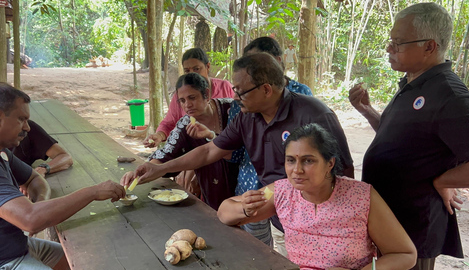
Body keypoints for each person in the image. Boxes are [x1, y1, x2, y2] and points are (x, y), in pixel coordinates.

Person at [121, 53, 355, 254]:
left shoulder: (313, 115)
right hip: (278, 218)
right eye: (234, 90)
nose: (234, 97)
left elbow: (344, 173)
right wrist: (160, 168)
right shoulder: (247, 115)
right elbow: (210, 150)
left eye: (241, 91)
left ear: (266, 89)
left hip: (317, 223)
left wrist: (333, 223)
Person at [348, 2, 469, 270]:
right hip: (389, 221)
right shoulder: (414, 82)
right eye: (390, 40)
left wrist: (445, 180)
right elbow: (402, 140)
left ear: (429, 46)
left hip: (413, 232)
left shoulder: (449, 95)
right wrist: (368, 111)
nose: (388, 48)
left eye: (398, 43)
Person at [217, 123, 417, 270]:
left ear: (330, 163)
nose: (297, 170)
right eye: (290, 160)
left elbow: (404, 254)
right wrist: (245, 208)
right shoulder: (283, 192)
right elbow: (225, 213)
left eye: (308, 160)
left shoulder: (361, 197)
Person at [0, 83, 125, 270]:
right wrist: (93, 192)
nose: (27, 127)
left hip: (15, 245)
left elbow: (34, 180)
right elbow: (28, 219)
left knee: (82, 261)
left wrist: (39, 205)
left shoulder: (3, 152)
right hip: (4, 265)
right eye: (21, 119)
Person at [227, 37, 315, 246]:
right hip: (252, 190)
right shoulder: (243, 107)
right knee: (257, 252)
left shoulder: (305, 104)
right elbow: (221, 148)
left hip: (290, 199)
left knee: (288, 252)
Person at [126, 73, 238, 210]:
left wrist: (211, 135)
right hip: (214, 197)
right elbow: (165, 154)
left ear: (206, 94)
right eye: (182, 101)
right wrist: (141, 172)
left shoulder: (232, 110)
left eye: (192, 97)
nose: (187, 105)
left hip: (247, 190)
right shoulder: (185, 125)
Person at [144, 48, 235, 147]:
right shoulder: (180, 96)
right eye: (187, 71)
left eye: (196, 69)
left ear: (207, 66)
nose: (192, 74)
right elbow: (169, 123)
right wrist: (159, 135)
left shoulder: (225, 87)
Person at [244, 37, 313, 96]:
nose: (253, 69)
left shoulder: (301, 91)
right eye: (249, 64)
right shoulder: (246, 96)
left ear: (277, 60)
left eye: (257, 63)